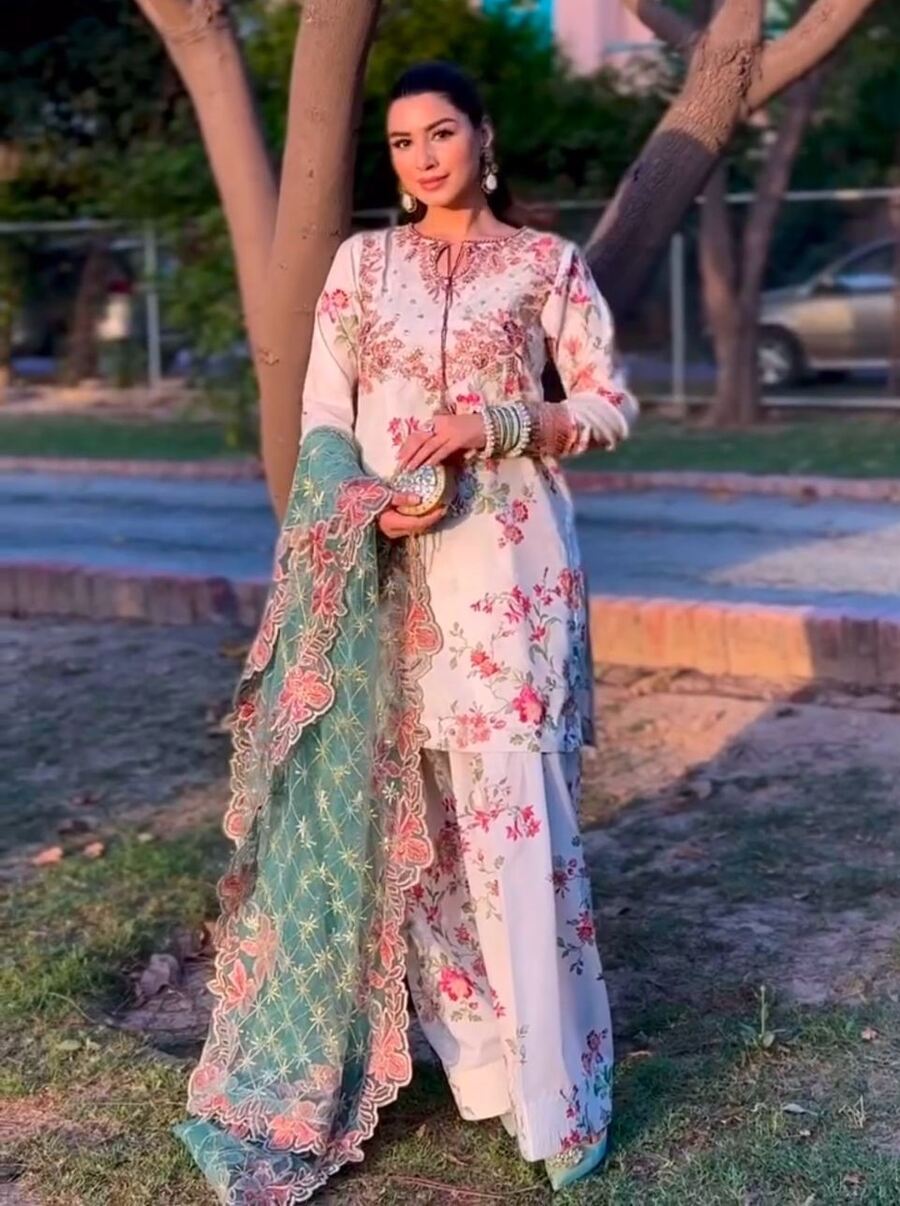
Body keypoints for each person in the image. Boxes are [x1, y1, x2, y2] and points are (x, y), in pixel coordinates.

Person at [176, 59, 638, 1203]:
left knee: (516, 822)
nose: (423, 157)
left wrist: (494, 423)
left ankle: (560, 1096)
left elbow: (607, 404)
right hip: (381, 573)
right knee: (412, 830)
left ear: (484, 138)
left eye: (441, 133)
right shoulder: (360, 265)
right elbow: (321, 413)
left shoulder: (545, 264)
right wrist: (362, 503)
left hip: (508, 576)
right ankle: (481, 1066)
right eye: (401, 142)